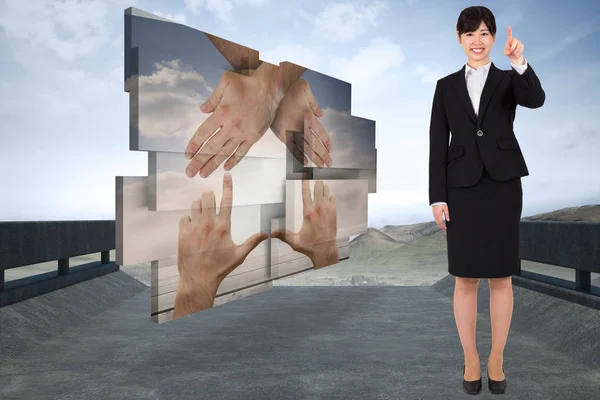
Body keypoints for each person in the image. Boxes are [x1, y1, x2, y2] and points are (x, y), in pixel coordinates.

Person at [428, 6, 545, 395]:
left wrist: (519, 62)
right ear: (459, 39)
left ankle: (496, 358)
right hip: (460, 190)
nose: (477, 41)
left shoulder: (509, 80)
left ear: (494, 38)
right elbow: (436, 144)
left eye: (483, 33)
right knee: (464, 278)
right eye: (469, 34)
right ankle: (471, 359)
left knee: (500, 277)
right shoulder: (445, 86)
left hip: (502, 186)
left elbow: (537, 99)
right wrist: (436, 197)